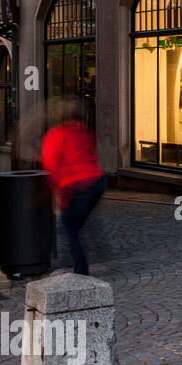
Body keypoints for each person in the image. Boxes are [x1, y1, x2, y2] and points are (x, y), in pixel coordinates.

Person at [41, 99, 106, 276]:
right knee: (80, 222)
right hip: (97, 181)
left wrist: (58, 196)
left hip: (76, 185)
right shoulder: (83, 132)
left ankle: (81, 271)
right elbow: (91, 153)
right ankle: (98, 251)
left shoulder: (55, 135)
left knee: (70, 229)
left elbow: (51, 165)